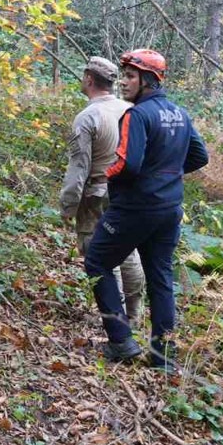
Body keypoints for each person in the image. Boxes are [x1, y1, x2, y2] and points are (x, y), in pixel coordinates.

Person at [83, 49, 207, 371]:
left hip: (135, 208)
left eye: (130, 76)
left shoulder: (136, 115)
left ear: (148, 81)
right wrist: (167, 174)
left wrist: (103, 175)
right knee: (161, 276)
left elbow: (127, 164)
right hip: (169, 209)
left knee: (97, 259)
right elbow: (199, 156)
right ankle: (164, 357)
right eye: (124, 75)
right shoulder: (180, 114)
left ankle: (121, 340)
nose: (124, 82)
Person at [59, 57, 145, 323]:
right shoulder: (130, 110)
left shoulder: (88, 117)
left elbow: (79, 167)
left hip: (97, 195)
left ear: (88, 79)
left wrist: (68, 205)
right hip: (129, 193)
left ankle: (115, 318)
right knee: (128, 249)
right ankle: (134, 315)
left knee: (100, 254)